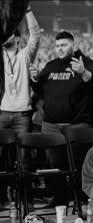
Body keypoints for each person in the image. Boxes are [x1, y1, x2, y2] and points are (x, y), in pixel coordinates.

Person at [30, 30, 93, 207]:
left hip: (77, 124)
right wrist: (35, 79)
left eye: (64, 45)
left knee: (78, 165)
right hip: (51, 125)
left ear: (73, 45)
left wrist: (84, 73)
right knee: (55, 166)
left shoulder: (85, 62)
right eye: (57, 46)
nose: (60, 49)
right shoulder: (51, 65)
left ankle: (82, 199)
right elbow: (41, 91)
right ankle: (59, 199)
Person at [0, 3, 40, 208]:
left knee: (24, 159)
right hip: (2, 113)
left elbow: (35, 35)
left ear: (16, 39)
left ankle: (25, 199)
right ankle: (2, 199)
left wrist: (27, 10)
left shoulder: (25, 56)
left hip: (22, 115)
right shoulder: (1, 57)